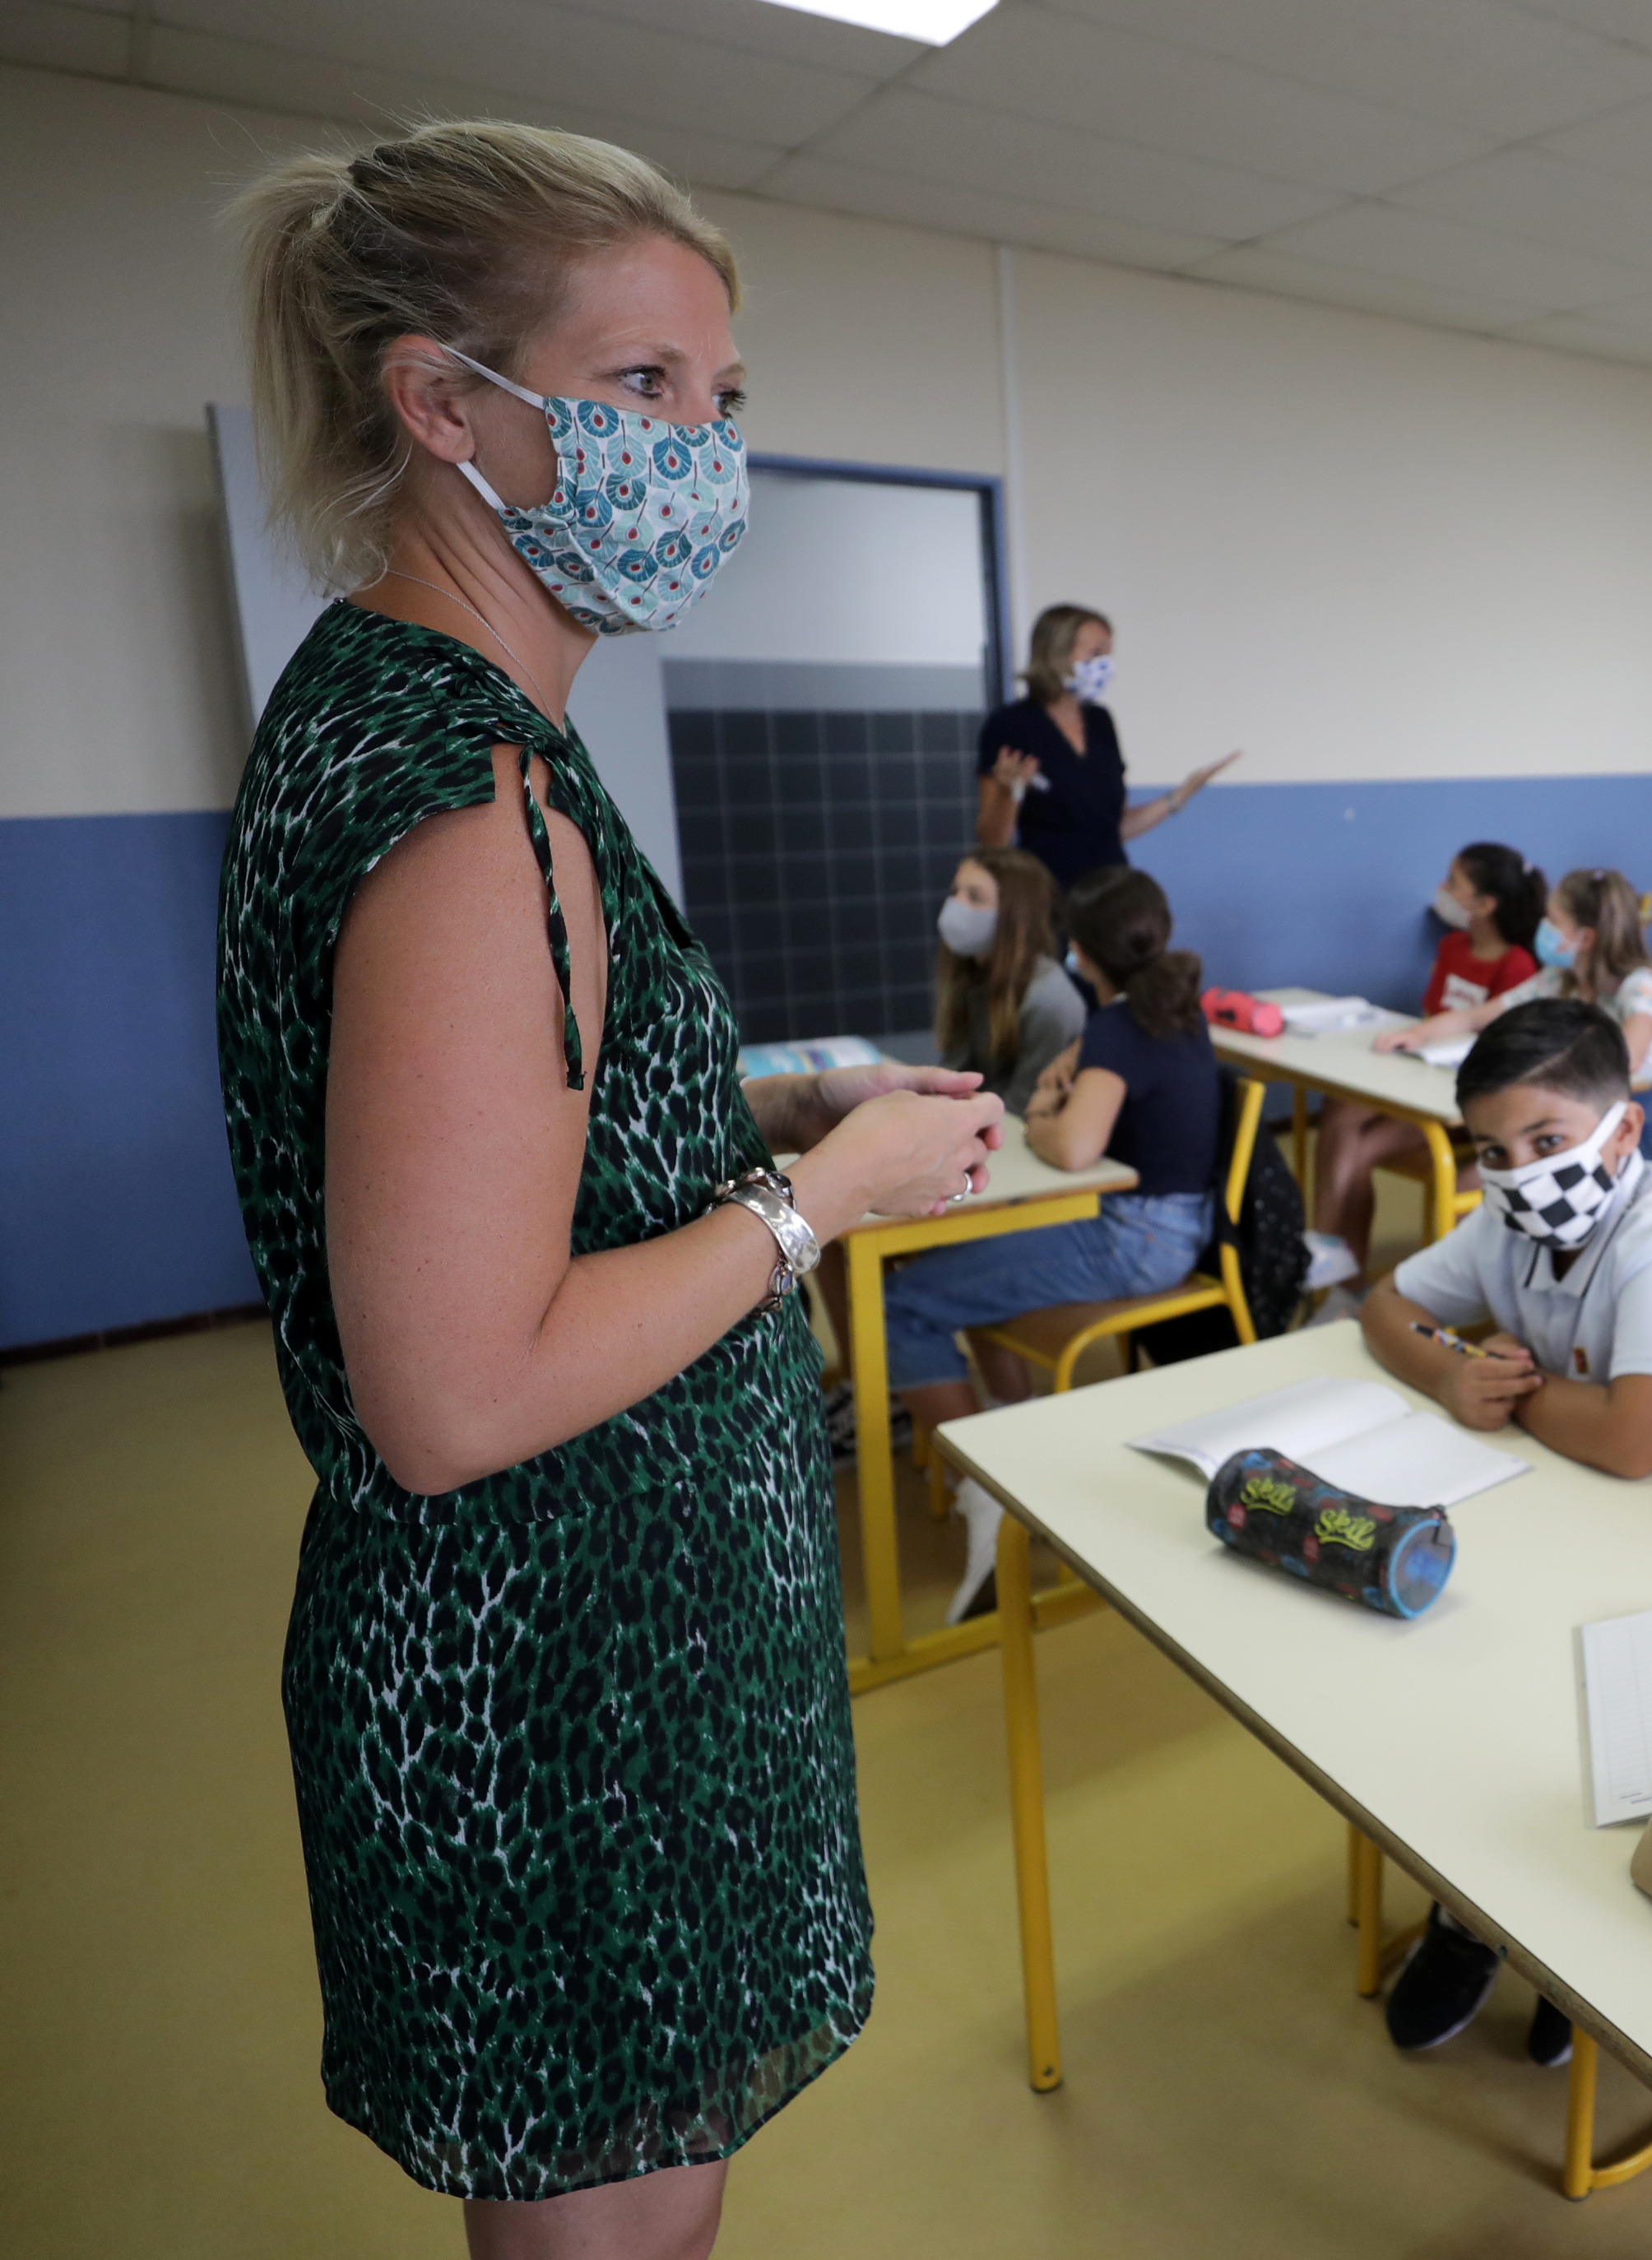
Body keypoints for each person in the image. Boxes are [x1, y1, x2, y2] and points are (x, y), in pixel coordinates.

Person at [219, 122, 1007, 2252]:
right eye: (641, 384)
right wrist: (816, 1198)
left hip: (584, 1661)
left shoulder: (397, 716)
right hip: (569, 1689)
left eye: (720, 399)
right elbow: (456, 1390)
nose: (703, 445)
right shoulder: (481, 796)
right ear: (444, 401)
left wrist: (772, 1099)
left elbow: (527, 1123)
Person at [1364, 1000, 1652, 2059]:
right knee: (1461, 1673)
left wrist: (1508, 1391)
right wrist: (1453, 1369)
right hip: (1574, 1506)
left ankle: (1582, 1945)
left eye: (1547, 1141)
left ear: (1623, 1130)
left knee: (1586, 1705)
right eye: (1492, 1151)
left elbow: (1633, 1440)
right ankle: (1476, 1914)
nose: (1519, 1170)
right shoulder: (1510, 1221)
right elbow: (1383, 1305)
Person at [901, 869, 1225, 1622]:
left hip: (1134, 1237)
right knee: (962, 1273)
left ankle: (988, 1488)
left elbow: (1074, 1148)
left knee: (906, 1299)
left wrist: (1046, 1116)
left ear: (1082, 953)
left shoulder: (1116, 1024)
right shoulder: (1173, 1008)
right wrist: (1069, 1072)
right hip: (1170, 1225)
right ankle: (1013, 1443)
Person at [1376, 868, 1652, 1204]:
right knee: (1482, 1184)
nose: (1543, 929)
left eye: (1553, 923)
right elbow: (1477, 1017)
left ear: (1585, 939)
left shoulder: (1638, 983)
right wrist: (1417, 1033)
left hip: (1636, 1108)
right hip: (1569, 1106)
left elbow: (1627, 1058)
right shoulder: (1557, 980)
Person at [1307, 842, 1541, 1270]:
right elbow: (1433, 1016)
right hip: (1424, 1078)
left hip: (1465, 1104)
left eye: (1453, 882)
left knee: (1361, 1148)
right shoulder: (1453, 946)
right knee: (1341, 1104)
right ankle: (1327, 1249)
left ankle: (1339, 1269)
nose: (1442, 889)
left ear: (1485, 904)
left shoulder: (1518, 966)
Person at [973, 601, 1238, 894]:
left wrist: (1181, 796)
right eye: (1095, 654)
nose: (1105, 667)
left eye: (1108, 656)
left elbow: (1115, 828)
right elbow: (993, 841)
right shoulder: (1010, 724)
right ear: (1057, 654)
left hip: (1109, 897)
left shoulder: (1101, 721)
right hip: (1045, 897)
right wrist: (1008, 793)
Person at [931, 847, 1088, 1118]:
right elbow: (954, 1072)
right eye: (955, 892)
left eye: (975, 897)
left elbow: (1024, 1109)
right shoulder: (970, 973)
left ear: (1015, 915)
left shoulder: (1049, 1002)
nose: (956, 905)